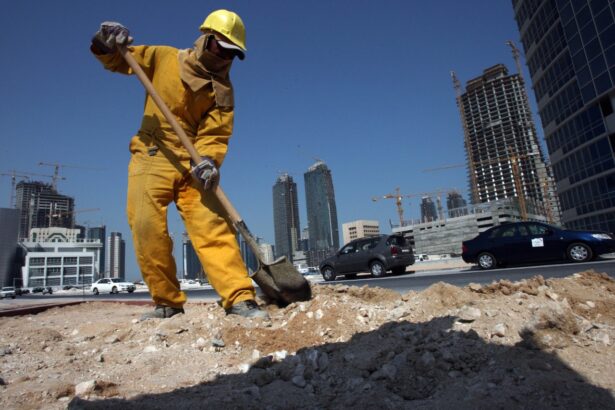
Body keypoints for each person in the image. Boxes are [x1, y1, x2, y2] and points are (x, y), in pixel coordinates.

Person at [91, 9, 268, 320]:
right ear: (207, 38)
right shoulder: (165, 58)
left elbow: (216, 132)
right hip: (153, 152)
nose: (225, 56)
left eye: (232, 53)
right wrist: (106, 42)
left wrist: (210, 162)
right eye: (222, 47)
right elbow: (119, 59)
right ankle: (167, 302)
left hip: (195, 163)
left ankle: (240, 298)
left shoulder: (223, 91)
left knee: (212, 226)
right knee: (146, 225)